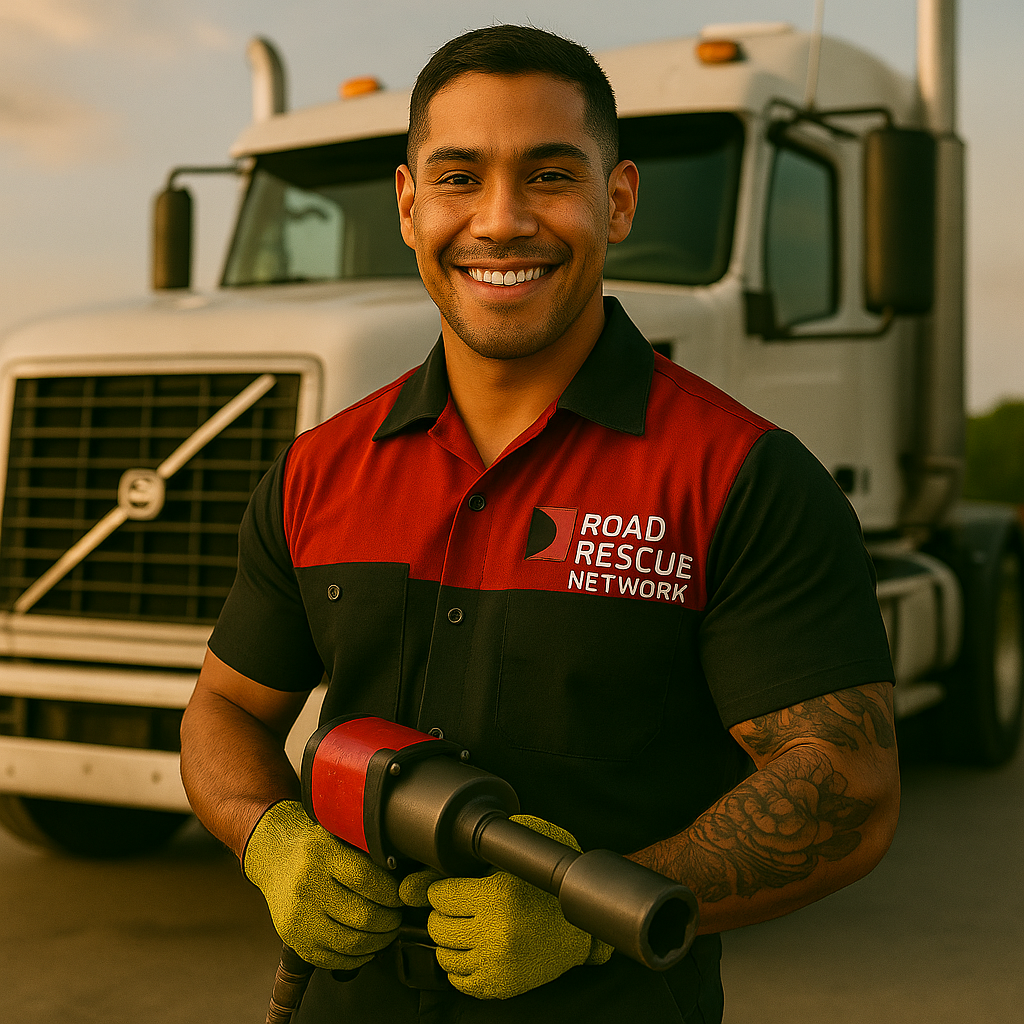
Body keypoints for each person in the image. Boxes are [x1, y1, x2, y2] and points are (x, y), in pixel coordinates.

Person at [180, 24, 899, 1024]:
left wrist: (588, 909)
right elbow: (224, 709)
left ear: (618, 199)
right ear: (408, 204)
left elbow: (846, 781)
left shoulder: (741, 476)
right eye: (459, 177)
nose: (502, 220)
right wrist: (268, 834)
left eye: (550, 175)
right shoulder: (317, 468)